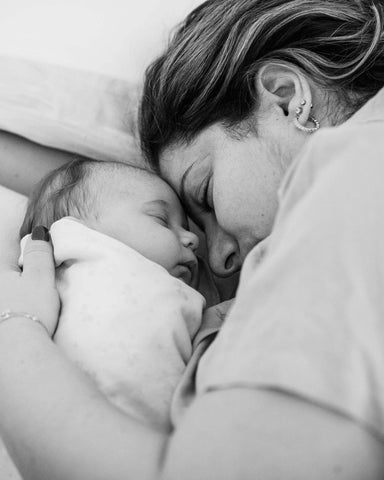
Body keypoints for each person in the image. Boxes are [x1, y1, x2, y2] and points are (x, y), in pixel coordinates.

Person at [0, 0, 384, 478]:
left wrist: (14, 332)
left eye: (204, 192)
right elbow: (104, 197)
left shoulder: (352, 171)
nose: (216, 258)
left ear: (286, 97)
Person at [17, 159, 205, 431]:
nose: (192, 239)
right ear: (79, 227)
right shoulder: (67, 249)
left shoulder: (180, 293)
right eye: (162, 220)